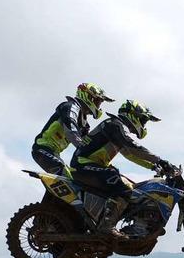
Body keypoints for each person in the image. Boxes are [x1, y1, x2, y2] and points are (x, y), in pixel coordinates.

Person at [70, 99, 175, 238]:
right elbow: (132, 146)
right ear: (133, 115)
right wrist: (160, 160)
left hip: (91, 165)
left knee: (129, 186)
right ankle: (106, 226)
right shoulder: (115, 125)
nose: (143, 125)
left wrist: (154, 166)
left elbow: (129, 154)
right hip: (83, 164)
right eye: (143, 120)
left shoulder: (117, 127)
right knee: (123, 189)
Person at [32, 83, 114, 176]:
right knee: (67, 176)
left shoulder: (84, 124)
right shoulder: (71, 106)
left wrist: (100, 162)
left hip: (53, 152)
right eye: (98, 101)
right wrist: (83, 147)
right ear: (88, 97)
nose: (98, 106)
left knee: (73, 180)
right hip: (42, 148)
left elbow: (89, 145)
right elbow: (71, 129)